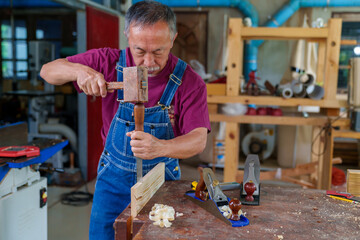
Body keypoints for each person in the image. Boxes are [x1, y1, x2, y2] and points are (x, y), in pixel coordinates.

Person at [40, 1, 210, 239]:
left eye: (159, 51)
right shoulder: (108, 62)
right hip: (112, 182)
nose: (148, 63)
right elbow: (47, 71)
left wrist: (160, 147)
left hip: (162, 181)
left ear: (173, 39)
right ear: (127, 35)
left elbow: (198, 140)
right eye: (139, 51)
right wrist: (78, 72)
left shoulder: (189, 82)